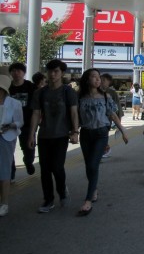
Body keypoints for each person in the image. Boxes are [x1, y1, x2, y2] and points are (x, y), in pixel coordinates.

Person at [28, 59, 79, 213]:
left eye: (56, 71)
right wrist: (31, 135)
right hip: (44, 135)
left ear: (62, 73)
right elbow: (36, 114)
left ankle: (62, 191)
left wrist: (75, 132)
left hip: (61, 134)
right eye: (50, 71)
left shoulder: (67, 91)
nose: (52, 74)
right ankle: (48, 199)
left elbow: (74, 112)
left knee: (57, 167)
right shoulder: (40, 93)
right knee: (44, 169)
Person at [76, 69, 128, 216]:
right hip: (85, 133)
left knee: (93, 164)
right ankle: (93, 189)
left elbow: (113, 115)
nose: (98, 80)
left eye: (98, 77)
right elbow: (74, 115)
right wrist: (73, 131)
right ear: (87, 80)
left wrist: (123, 131)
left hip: (101, 134)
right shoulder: (79, 97)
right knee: (89, 165)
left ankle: (88, 200)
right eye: (94, 77)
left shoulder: (105, 97)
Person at [0, 75, 24, 217]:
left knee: (4, 170)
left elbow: (20, 122)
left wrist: (9, 126)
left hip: (6, 138)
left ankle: (4, 203)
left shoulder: (14, 103)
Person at [8, 62, 37, 178]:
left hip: (27, 123)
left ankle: (28, 162)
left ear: (24, 73)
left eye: (18, 71)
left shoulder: (30, 87)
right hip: (10, 123)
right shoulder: (7, 88)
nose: (16, 73)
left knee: (28, 146)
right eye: (13, 71)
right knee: (9, 149)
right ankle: (11, 172)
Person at [100, 73, 123, 158]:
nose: (101, 82)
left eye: (104, 80)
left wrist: (119, 123)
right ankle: (103, 149)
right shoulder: (95, 90)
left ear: (109, 82)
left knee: (103, 136)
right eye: (101, 79)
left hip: (107, 120)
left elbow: (118, 108)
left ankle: (104, 150)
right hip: (96, 120)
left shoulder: (112, 93)